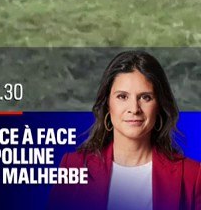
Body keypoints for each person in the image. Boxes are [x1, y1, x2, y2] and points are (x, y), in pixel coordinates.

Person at [48, 50, 201, 210]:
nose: (134, 109)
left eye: (145, 97)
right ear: (108, 103)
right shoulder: (74, 167)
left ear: (159, 106)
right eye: (122, 96)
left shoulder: (192, 176)